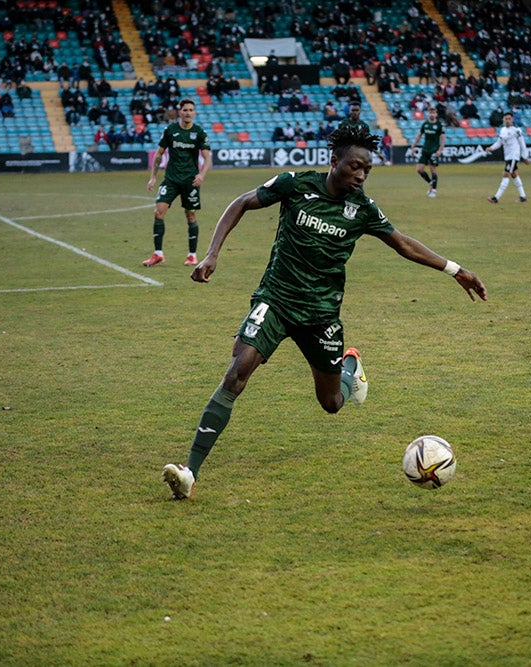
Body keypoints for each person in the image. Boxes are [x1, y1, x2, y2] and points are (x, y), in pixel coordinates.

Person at [161, 125, 488, 500]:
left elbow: (403, 244)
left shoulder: (362, 208)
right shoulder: (295, 185)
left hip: (321, 315)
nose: (361, 176)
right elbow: (242, 203)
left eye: (367, 170)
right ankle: (190, 473)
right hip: (276, 300)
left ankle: (350, 367)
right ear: (333, 162)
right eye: (355, 167)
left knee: (332, 404)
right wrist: (213, 253)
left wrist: (456, 270)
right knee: (237, 373)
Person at [143, 98, 212, 267]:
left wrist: (202, 175)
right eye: (185, 110)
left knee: (190, 216)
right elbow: (159, 155)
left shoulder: (200, 133)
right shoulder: (170, 130)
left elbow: (207, 157)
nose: (188, 113)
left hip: (190, 181)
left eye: (191, 110)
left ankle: (192, 255)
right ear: (180, 112)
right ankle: (158, 254)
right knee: (159, 212)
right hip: (171, 179)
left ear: (194, 113)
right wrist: (153, 177)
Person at [484, 112, 529, 203]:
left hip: (513, 156)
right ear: (503, 120)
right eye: (506, 119)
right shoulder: (503, 130)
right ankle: (523, 196)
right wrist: (491, 148)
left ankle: (496, 198)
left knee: (505, 174)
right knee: (514, 174)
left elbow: (522, 144)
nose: (507, 120)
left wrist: (525, 156)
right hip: (508, 156)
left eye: (509, 119)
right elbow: (499, 143)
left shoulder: (516, 131)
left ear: (512, 120)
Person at [409, 106, 446, 197]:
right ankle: (430, 182)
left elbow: (443, 139)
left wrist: (440, 150)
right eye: (430, 112)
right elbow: (419, 136)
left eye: (433, 112)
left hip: (434, 150)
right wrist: (413, 147)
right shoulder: (425, 124)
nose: (432, 114)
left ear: (436, 114)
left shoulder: (439, 125)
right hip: (425, 150)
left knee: (433, 169)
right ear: (428, 113)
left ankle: (433, 190)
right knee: (419, 169)